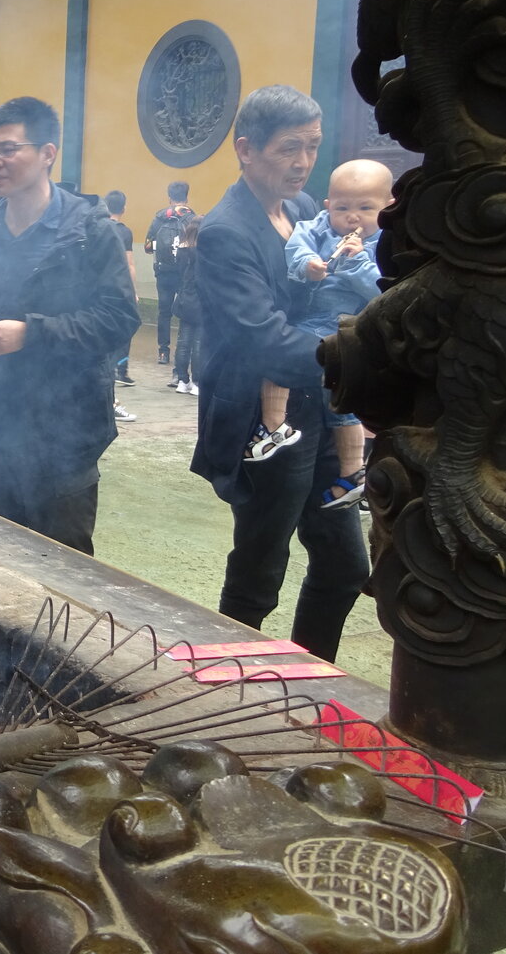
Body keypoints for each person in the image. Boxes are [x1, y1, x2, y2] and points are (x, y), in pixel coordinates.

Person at [189, 85, 368, 662]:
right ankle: (222, 694)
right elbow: (261, 337)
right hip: (266, 424)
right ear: (246, 149)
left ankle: (309, 677)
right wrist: (357, 360)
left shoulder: (306, 210)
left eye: (312, 148)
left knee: (344, 567)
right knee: (259, 570)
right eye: (289, 149)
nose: (303, 163)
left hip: (323, 406)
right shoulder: (226, 231)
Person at [0, 97, 141, 554]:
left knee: (60, 573)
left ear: (48, 154)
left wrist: (30, 333)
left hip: (62, 436)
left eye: (9, 149)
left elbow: (119, 319)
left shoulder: (91, 232)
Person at [246, 158, 392, 508]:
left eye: (365, 208)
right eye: (342, 207)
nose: (352, 217)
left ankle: (274, 426)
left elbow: (383, 293)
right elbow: (297, 246)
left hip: (346, 330)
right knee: (336, 407)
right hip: (314, 322)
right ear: (328, 206)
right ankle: (351, 472)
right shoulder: (318, 226)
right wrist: (307, 265)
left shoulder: (383, 245)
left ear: (388, 209)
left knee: (280, 359)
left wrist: (356, 262)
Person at [144, 180, 196, 366]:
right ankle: (183, 353)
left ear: (169, 198)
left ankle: (163, 352)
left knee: (164, 312)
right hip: (184, 274)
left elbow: (148, 247)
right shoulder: (192, 219)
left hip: (164, 272)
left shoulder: (159, 218)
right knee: (185, 312)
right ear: (187, 197)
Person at [105, 189, 138, 394]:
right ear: (124, 208)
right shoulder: (124, 231)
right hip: (118, 287)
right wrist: (133, 291)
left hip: (99, 288)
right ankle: (121, 371)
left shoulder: (96, 227)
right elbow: (129, 264)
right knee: (123, 329)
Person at [171, 215, 203, 395]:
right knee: (198, 344)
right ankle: (197, 383)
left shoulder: (182, 250)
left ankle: (182, 381)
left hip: (183, 300)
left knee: (183, 343)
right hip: (200, 302)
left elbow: (179, 275)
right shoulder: (204, 252)